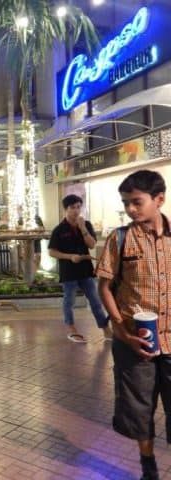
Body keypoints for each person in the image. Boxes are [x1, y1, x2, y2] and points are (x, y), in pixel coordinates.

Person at [96, 170, 170, 480]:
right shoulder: (120, 238)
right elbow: (104, 286)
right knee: (138, 411)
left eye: (137, 202)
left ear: (159, 199)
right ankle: (148, 467)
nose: (130, 209)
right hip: (135, 342)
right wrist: (120, 329)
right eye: (126, 203)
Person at [48, 194, 111, 343]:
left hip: (85, 270)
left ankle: (105, 329)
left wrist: (83, 228)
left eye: (78, 207)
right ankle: (71, 330)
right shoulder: (59, 229)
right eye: (72, 207)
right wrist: (69, 256)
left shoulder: (86, 225)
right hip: (68, 272)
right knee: (69, 302)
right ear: (66, 209)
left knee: (95, 301)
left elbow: (92, 245)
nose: (76, 211)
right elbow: (52, 251)